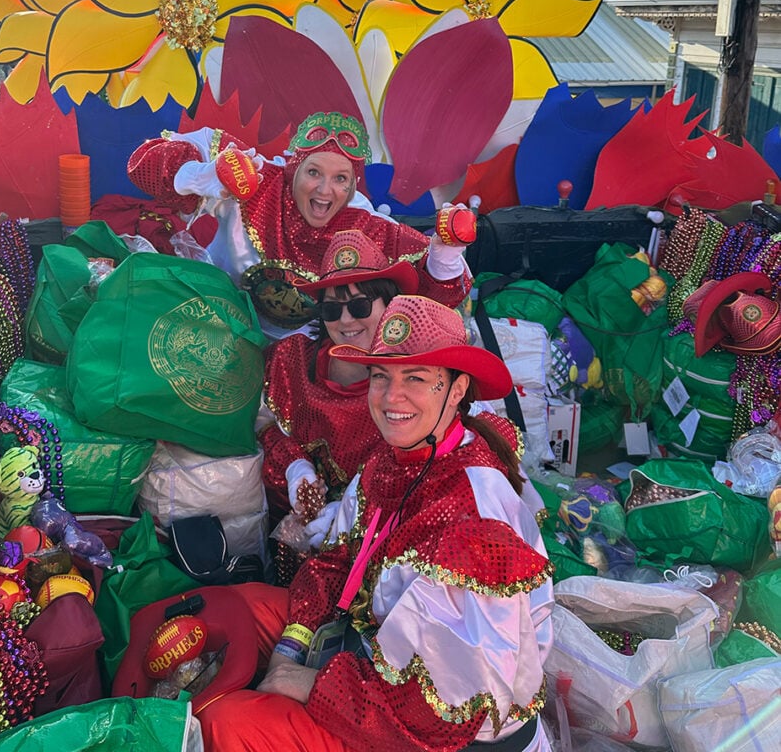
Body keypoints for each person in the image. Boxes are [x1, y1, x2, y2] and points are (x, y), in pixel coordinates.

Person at [203, 295, 554, 752]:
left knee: (229, 723)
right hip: (369, 651)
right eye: (380, 376)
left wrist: (311, 683)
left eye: (415, 378)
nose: (391, 397)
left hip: (433, 732)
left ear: (457, 389)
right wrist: (294, 643)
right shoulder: (392, 461)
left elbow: (446, 714)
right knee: (238, 610)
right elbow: (339, 558)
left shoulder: (474, 517)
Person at [127, 111, 472, 336]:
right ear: (293, 168)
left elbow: (438, 292)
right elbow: (144, 164)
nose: (324, 190)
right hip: (214, 325)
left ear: (353, 186)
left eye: (340, 179)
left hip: (298, 359)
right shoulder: (256, 179)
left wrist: (445, 252)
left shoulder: (365, 225)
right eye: (313, 173)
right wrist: (205, 175)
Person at [259, 229, 419, 534]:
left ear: (391, 305)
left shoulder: (415, 380)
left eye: (360, 306)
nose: (345, 320)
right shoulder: (289, 359)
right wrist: (295, 467)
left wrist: (354, 511)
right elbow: (262, 425)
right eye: (332, 309)